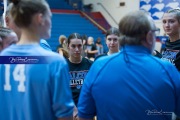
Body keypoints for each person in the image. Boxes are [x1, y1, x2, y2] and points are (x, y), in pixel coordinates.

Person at [77, 10, 180, 120]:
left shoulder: (98, 67)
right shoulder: (167, 69)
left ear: (121, 37)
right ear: (150, 36)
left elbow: (84, 115)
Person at [0, 0, 74, 120]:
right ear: (40, 18)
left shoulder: (3, 57)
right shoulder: (54, 62)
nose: (51, 23)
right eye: (50, 17)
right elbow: (64, 115)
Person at [66, 33, 93, 119]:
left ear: (83, 46)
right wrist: (74, 110)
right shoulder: (62, 66)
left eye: (79, 46)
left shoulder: (91, 65)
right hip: (68, 112)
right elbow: (60, 92)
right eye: (73, 46)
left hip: (87, 111)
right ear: (68, 46)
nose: (77, 49)